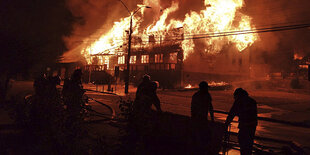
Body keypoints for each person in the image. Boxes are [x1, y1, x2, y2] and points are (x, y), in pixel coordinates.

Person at [224, 88, 258, 155]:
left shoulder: (239, 102)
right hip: (252, 126)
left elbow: (232, 113)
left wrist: (226, 124)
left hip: (245, 126)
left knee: (243, 142)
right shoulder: (252, 101)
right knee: (249, 144)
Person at [190, 81, 215, 153]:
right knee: (203, 136)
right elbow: (210, 108)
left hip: (199, 119)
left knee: (198, 136)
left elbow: (192, 108)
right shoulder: (207, 95)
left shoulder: (196, 95)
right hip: (201, 119)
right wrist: (212, 119)